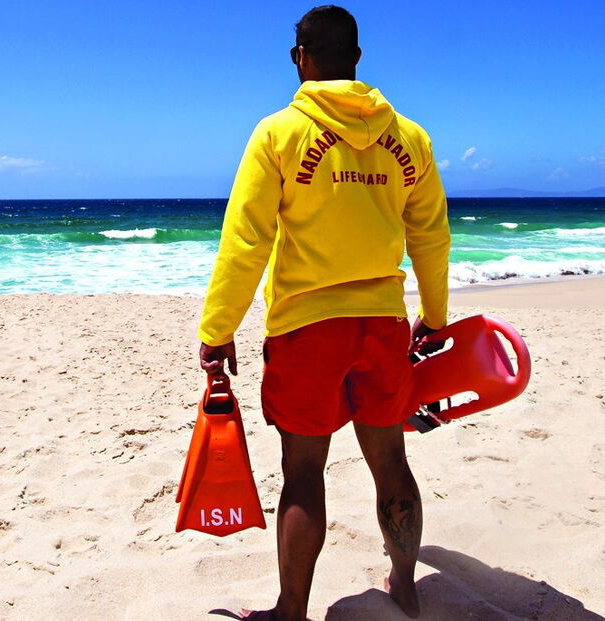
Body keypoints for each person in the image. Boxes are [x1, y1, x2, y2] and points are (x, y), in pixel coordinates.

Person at [197, 5, 450, 620]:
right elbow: (431, 236)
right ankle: (406, 586)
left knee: (304, 471)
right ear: (357, 60)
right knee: (391, 459)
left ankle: (292, 612)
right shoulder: (409, 139)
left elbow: (246, 240)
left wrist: (217, 328)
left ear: (299, 59)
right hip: (384, 324)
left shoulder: (278, 133)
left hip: (307, 328)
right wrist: (436, 317)